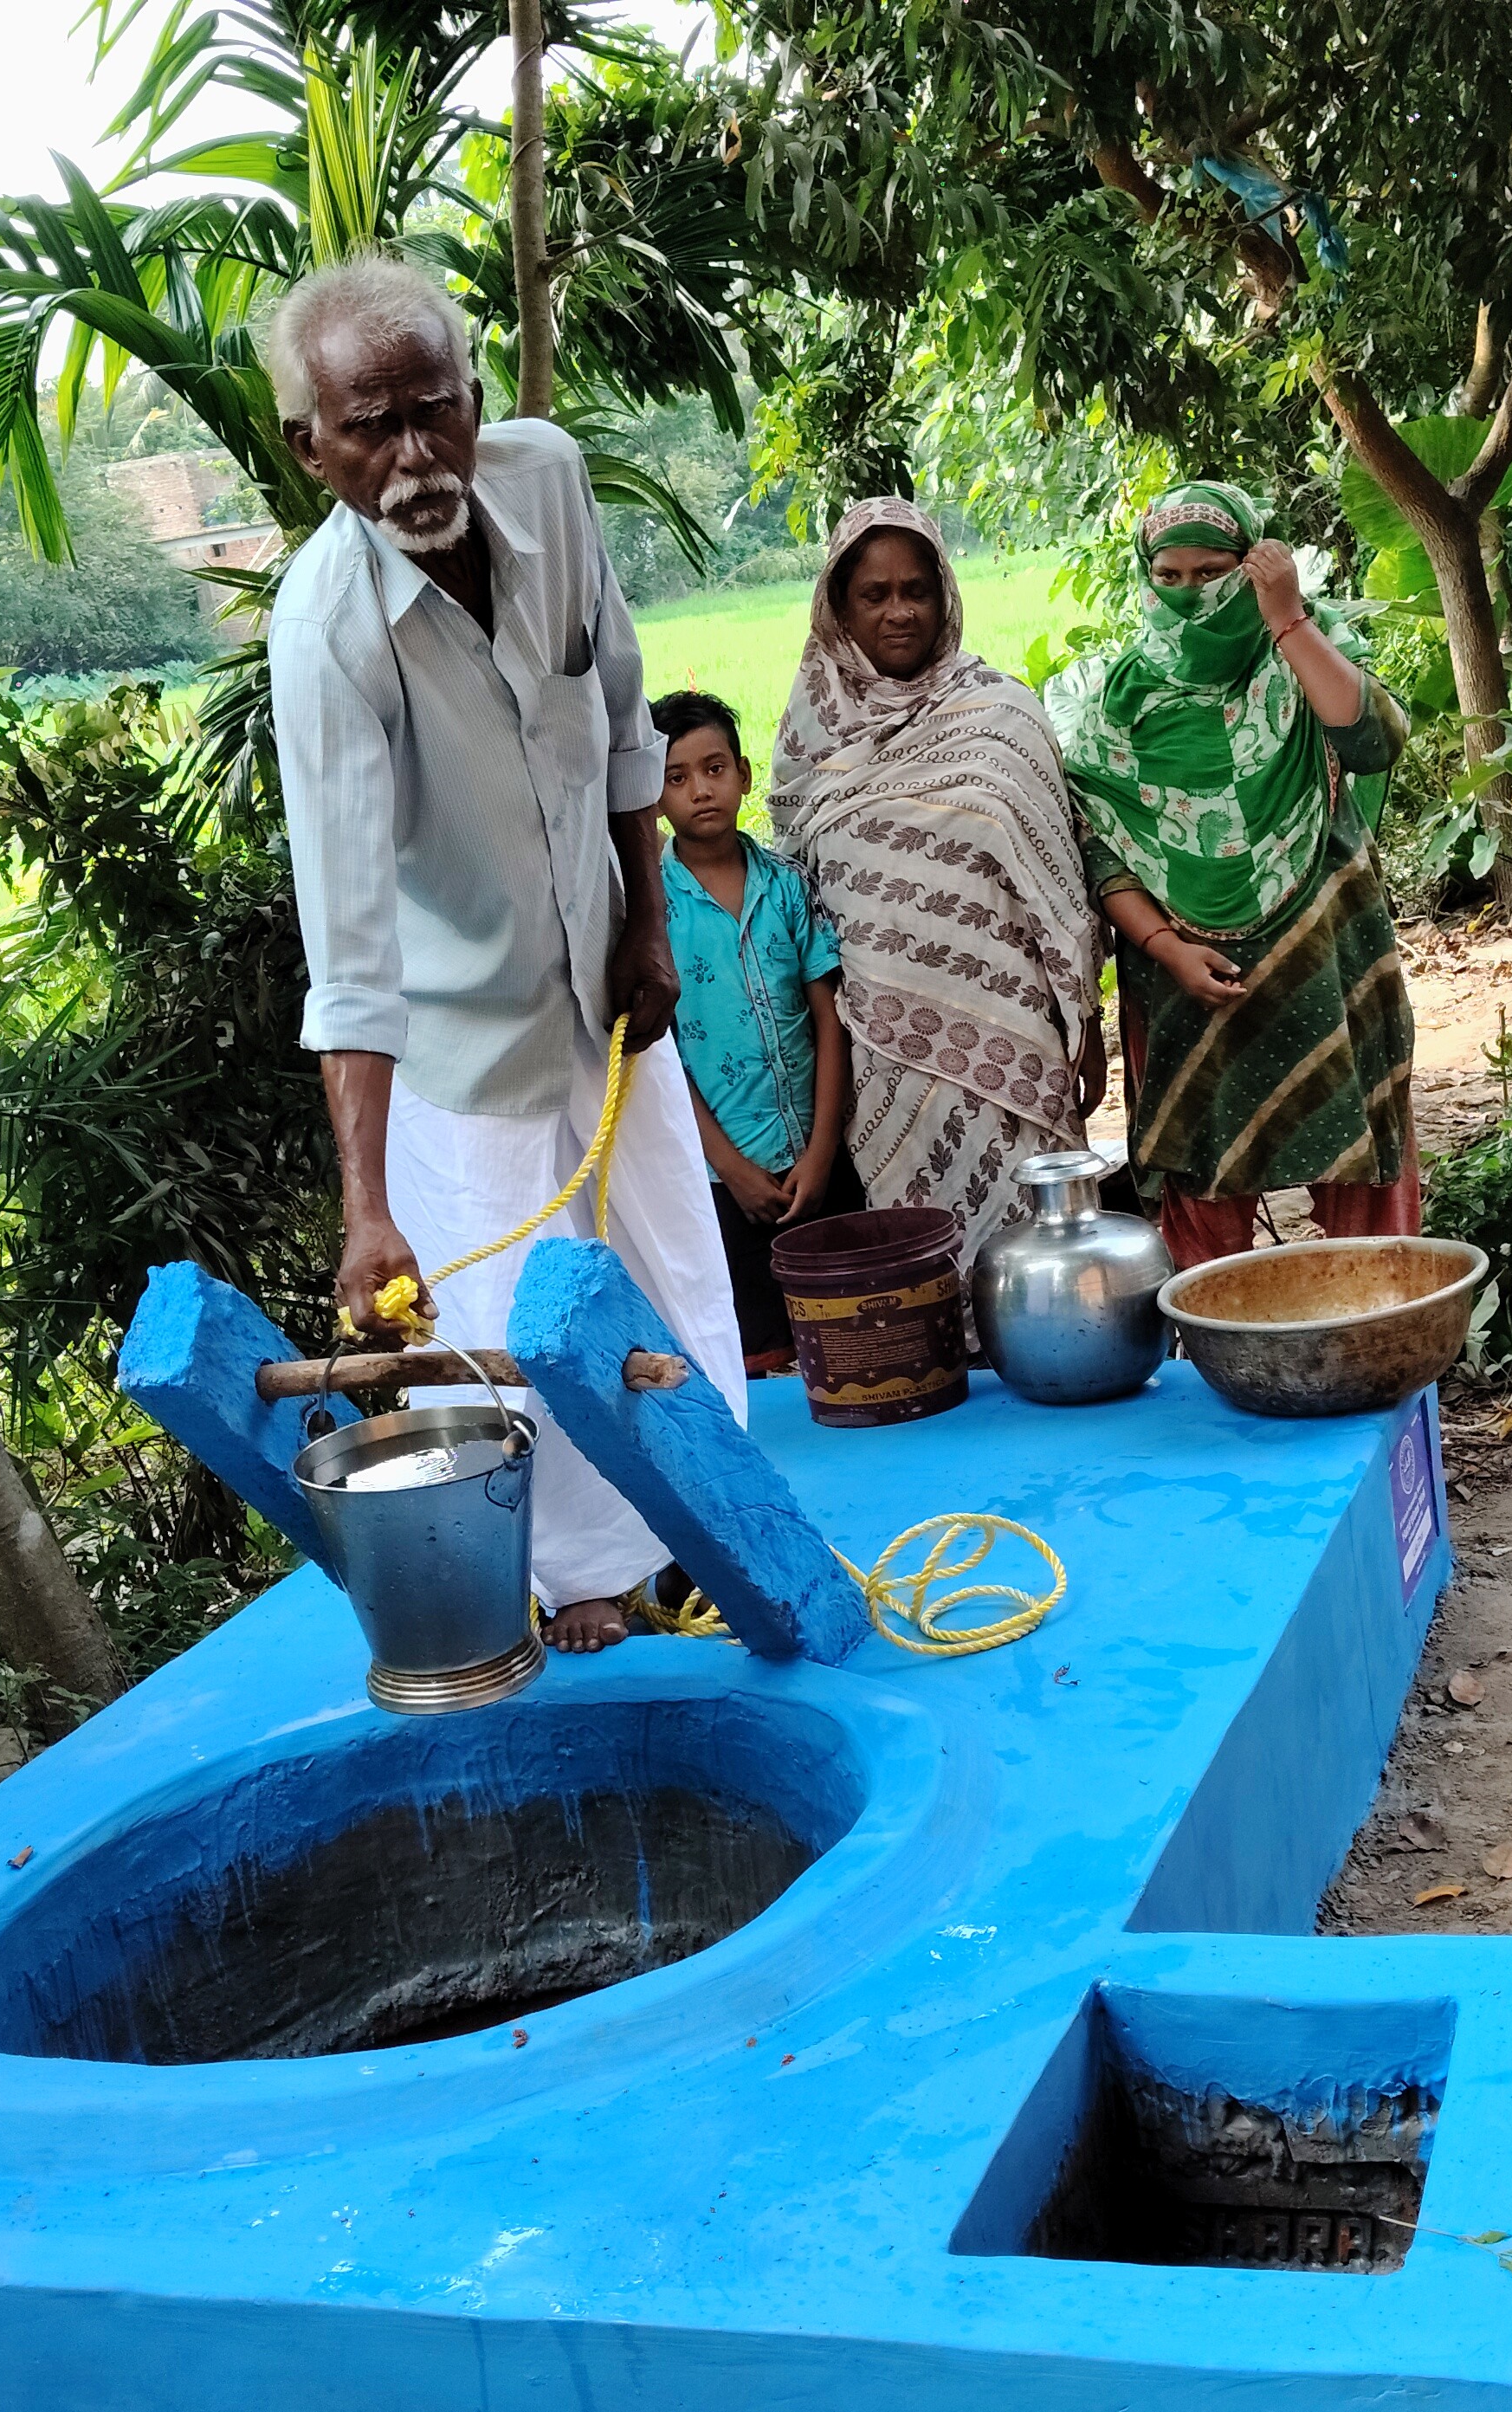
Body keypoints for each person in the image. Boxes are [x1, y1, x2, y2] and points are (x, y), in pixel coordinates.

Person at [264, 253, 746, 1656]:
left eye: (435, 410)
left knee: (670, 1260)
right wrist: (366, 1211)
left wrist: (647, 923)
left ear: (476, 403)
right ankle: (581, 1584)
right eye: (370, 427)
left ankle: (709, 1531)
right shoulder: (328, 636)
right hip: (459, 1043)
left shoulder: (545, 477)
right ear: (313, 449)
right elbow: (348, 939)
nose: (414, 455)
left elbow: (619, 712)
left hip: (603, 987)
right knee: (518, 1318)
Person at [1049, 482, 1422, 1268]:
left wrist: (1287, 619)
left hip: (1323, 963)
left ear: (1255, 566)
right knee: (1200, 1191)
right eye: (1170, 575)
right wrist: (1163, 947)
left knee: (1360, 1168)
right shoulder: (1125, 695)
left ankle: (1379, 1342)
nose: (1190, 596)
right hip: (1187, 988)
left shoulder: (1298, 659)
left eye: (1214, 572)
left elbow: (1375, 742)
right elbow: (1098, 839)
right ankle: (1218, 1361)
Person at [768, 497, 1103, 1266]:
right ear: (838, 609)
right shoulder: (808, 742)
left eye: (916, 590)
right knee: (921, 1255)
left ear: (944, 594)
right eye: (874, 595)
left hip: (1015, 1037)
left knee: (1037, 1251)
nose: (898, 613)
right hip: (885, 1054)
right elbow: (801, 900)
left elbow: (1063, 891)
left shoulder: (1003, 715)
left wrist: (1086, 1025)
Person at [649, 689, 857, 1373]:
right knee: (759, 1352)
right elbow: (660, 1057)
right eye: (676, 778)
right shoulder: (650, 913)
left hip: (814, 1163)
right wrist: (733, 1170)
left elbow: (829, 1022)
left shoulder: (788, 887)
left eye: (714, 769)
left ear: (741, 773)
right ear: (652, 797)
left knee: (846, 1331)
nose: (700, 791)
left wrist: (823, 1152)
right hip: (719, 1181)